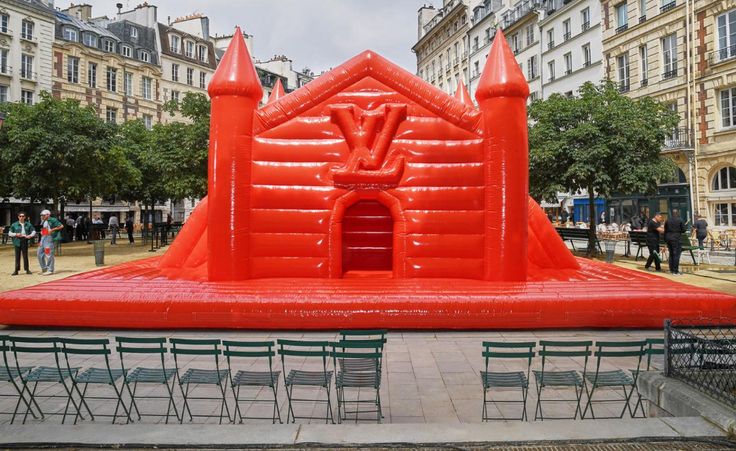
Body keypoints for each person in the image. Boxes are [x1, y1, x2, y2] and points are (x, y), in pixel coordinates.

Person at [37, 210, 63, 276]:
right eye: (41, 215)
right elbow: (44, 229)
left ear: (48, 215)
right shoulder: (43, 221)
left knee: (48, 253)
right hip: (43, 238)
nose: (42, 216)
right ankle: (44, 268)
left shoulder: (53, 220)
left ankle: (50, 269)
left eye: (43, 215)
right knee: (39, 253)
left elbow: (61, 226)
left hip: (49, 238)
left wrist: (52, 230)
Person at [664, 210, 686, 276]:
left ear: (672, 213)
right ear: (678, 213)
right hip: (676, 239)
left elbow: (665, 229)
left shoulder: (667, 220)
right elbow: (684, 230)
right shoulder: (680, 220)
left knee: (671, 254)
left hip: (668, 238)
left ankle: (671, 269)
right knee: (676, 255)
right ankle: (675, 271)